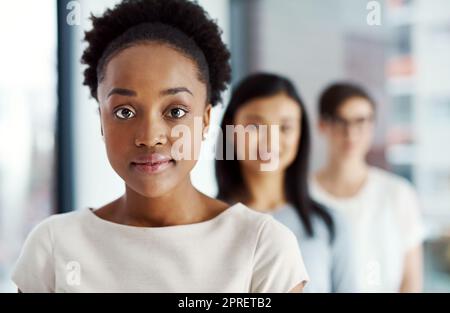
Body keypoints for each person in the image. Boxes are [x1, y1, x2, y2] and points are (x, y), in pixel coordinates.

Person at [11, 0, 308, 293]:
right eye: (124, 112)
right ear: (102, 122)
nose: (150, 136)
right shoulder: (53, 246)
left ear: (205, 120)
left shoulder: (263, 248)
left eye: (175, 112)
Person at [216, 73, 356, 292]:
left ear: (301, 135)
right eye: (255, 126)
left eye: (285, 127)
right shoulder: (204, 224)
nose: (271, 140)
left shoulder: (330, 225)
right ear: (231, 131)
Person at [310, 82, 424, 292]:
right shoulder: (303, 195)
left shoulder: (398, 193)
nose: (350, 133)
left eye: (360, 121)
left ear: (372, 125)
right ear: (322, 125)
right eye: (340, 121)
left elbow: (411, 280)